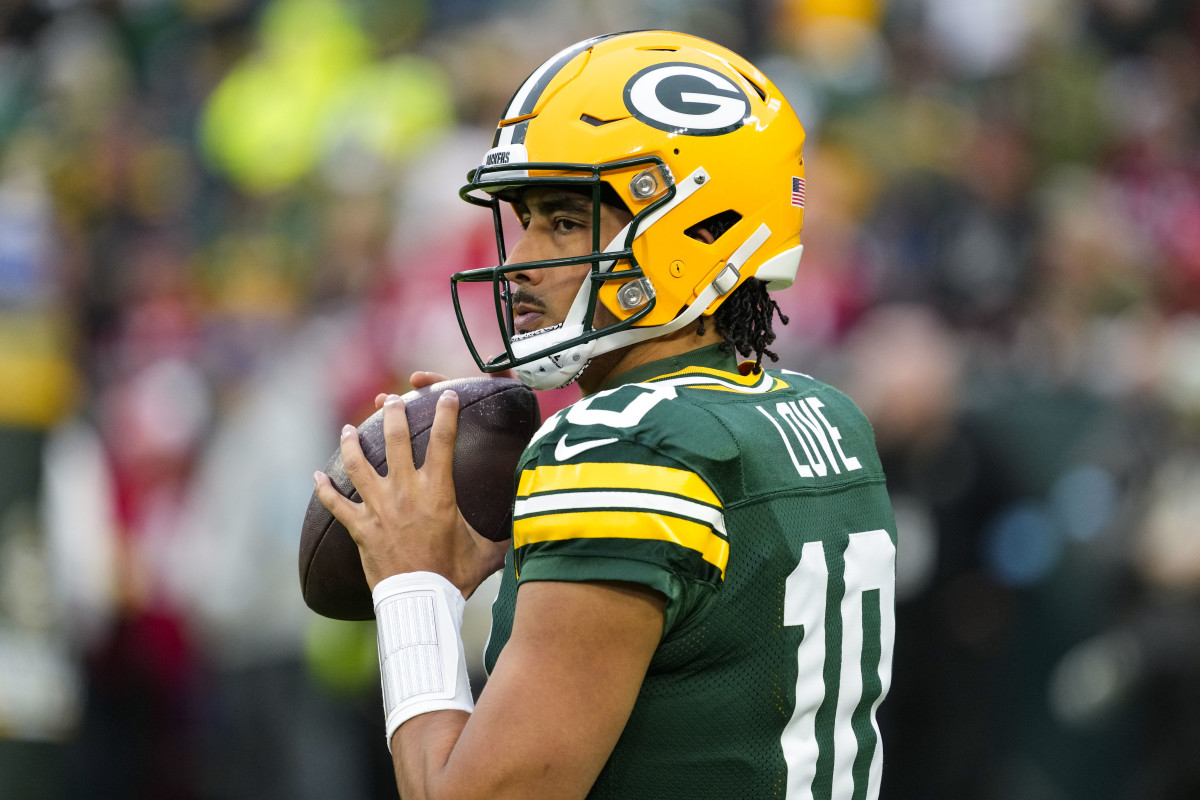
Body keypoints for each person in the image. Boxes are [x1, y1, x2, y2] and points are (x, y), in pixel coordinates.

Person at [313, 30, 897, 800]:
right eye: (522, 219)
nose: (522, 258)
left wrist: (414, 588)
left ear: (695, 228)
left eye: (562, 221)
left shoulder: (623, 445)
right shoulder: (827, 415)